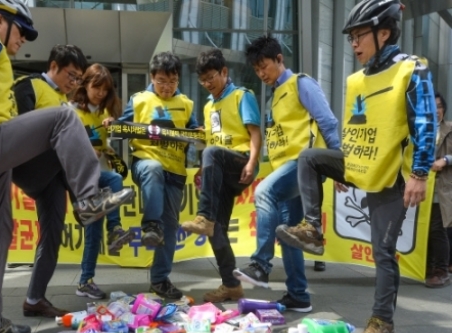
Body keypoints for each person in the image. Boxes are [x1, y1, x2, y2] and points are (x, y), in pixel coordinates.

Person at [0, 0, 133, 333]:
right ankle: (88, 199)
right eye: (21, 31)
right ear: (0, 20)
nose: (24, 40)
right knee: (64, 116)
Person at [275, 1, 436, 333]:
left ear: (385, 32)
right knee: (310, 158)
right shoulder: (355, 79)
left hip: (391, 176)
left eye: (359, 36)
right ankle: (312, 228)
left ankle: (382, 321)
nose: (354, 44)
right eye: (350, 38)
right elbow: (355, 128)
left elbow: (425, 123)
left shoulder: (412, 69)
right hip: (361, 163)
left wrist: (420, 174)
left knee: (382, 252)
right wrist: (349, 169)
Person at [232, 36, 339, 311]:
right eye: (256, 70)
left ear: (279, 59)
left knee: (264, 191)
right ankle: (299, 296)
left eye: (264, 66)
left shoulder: (301, 83)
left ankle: (260, 264)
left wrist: (338, 164)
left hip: (304, 165)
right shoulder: (276, 95)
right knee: (289, 233)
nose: (261, 73)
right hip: (288, 168)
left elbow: (327, 120)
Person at [10, 44, 89, 317]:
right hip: (28, 165)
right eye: (71, 75)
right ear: (53, 66)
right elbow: (18, 133)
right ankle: (86, 203)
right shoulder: (28, 86)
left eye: (79, 78)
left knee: (52, 235)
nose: (74, 83)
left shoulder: (63, 101)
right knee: (66, 145)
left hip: (54, 175)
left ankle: (34, 299)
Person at [181, 48, 261, 303]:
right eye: (202, 80)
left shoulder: (241, 96)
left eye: (211, 78)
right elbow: (210, 142)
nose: (207, 84)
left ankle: (204, 216)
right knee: (218, 231)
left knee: (213, 153)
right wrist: (204, 171)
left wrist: (252, 162)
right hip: (220, 168)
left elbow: (255, 133)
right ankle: (231, 285)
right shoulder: (208, 106)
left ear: (224, 72)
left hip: (239, 162)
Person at [118, 51, 198, 299]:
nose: (166, 87)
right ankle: (150, 225)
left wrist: (199, 131)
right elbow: (122, 126)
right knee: (153, 169)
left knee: (171, 228)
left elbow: (195, 131)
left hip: (175, 171)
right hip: (145, 163)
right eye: (161, 81)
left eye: (172, 81)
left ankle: (160, 280)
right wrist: (113, 123)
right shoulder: (139, 99)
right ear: (152, 77)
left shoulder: (186, 104)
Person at [73, 63, 135, 299]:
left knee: (93, 231)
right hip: (83, 179)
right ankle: (116, 229)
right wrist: (89, 151)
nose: (100, 93)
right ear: (85, 85)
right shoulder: (72, 111)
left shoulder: (105, 114)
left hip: (100, 177)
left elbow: (108, 143)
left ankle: (85, 281)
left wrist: (113, 129)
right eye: (96, 87)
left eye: (105, 89)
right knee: (115, 179)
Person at [425, 92, 451, 288]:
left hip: (441, 189)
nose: (435, 111)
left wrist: (446, 160)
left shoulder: (450, 129)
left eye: (438, 107)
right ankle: (426, 267)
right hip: (420, 188)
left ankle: (441, 270)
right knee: (422, 229)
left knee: (437, 229)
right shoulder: (418, 130)